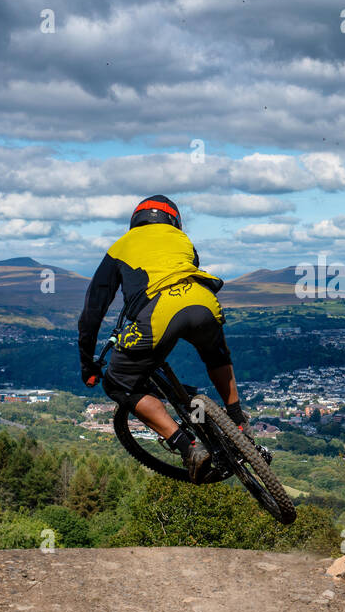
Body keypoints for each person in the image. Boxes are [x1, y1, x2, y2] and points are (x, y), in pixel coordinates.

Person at [77, 195, 247, 481]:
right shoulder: (183, 241)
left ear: (135, 221)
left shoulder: (121, 246)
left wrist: (87, 365)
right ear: (174, 220)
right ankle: (238, 419)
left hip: (158, 315)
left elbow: (93, 311)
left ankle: (188, 447)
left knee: (118, 384)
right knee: (216, 354)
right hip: (204, 302)